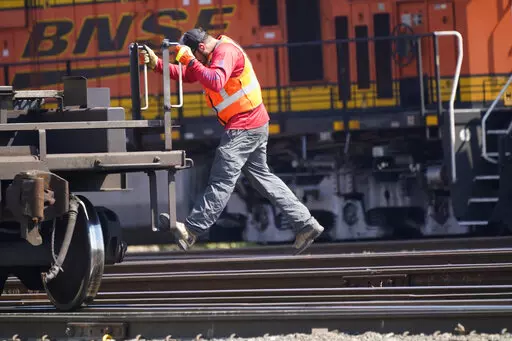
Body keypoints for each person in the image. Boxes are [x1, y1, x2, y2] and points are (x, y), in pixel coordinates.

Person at [140, 28, 324, 255]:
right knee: (263, 179)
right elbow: (191, 74)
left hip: (245, 125)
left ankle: (191, 230)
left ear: (201, 48)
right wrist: (157, 64)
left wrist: (188, 59)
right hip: (252, 122)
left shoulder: (225, 52)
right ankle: (306, 224)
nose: (195, 62)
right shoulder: (212, 54)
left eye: (195, 56)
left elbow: (215, 81)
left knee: (222, 178)